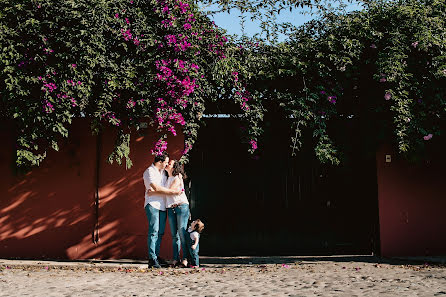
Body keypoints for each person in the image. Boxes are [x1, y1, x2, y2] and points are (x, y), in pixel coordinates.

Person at [143, 152, 182, 268]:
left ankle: (156, 255)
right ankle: (152, 258)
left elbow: (165, 187)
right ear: (159, 162)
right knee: (154, 231)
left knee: (160, 233)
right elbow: (156, 188)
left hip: (163, 206)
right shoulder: (149, 172)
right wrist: (174, 192)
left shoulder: (163, 173)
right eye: (165, 162)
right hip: (152, 204)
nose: (166, 165)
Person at [160, 160, 190, 267]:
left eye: (169, 164)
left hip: (181, 207)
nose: (167, 165)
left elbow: (169, 191)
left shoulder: (177, 178)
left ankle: (186, 258)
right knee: (174, 236)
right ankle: (176, 259)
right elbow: (167, 192)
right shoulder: (167, 178)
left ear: (174, 167)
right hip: (171, 209)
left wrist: (156, 190)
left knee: (182, 234)